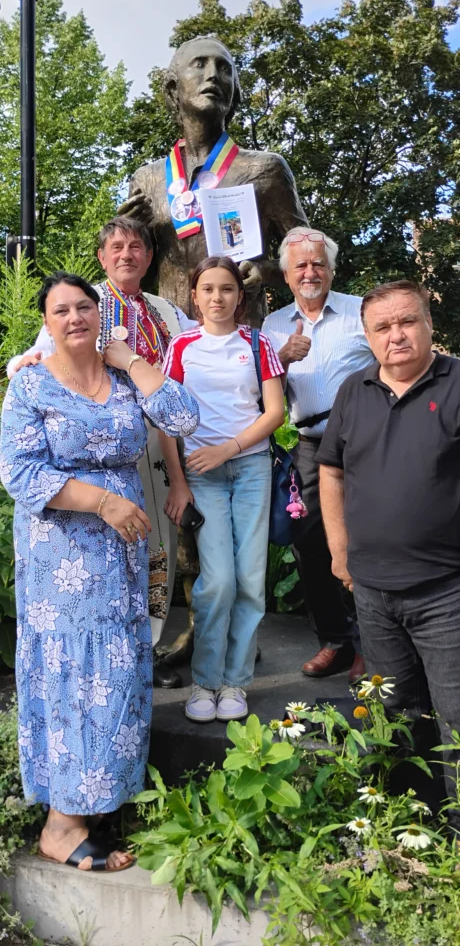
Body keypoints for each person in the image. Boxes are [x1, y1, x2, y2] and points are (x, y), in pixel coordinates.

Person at [0, 273, 198, 872]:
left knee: (114, 670)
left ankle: (98, 803)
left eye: (84, 306)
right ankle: (61, 823)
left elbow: (183, 418)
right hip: (61, 554)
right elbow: (19, 473)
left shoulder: (123, 379)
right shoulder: (30, 383)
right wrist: (102, 501)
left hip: (122, 554)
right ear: (47, 322)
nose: (74, 317)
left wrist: (133, 360)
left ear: (100, 314)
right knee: (72, 674)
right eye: (60, 310)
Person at [7, 217, 198, 689]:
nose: (126, 255)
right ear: (102, 257)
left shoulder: (167, 312)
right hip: (74, 500)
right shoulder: (83, 298)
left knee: (157, 553)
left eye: (136, 247)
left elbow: (188, 384)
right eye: (116, 247)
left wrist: (131, 362)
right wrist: (19, 364)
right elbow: (37, 363)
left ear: (149, 257)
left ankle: (150, 644)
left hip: (149, 443)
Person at [317, 278, 460, 825]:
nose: (395, 335)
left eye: (406, 322)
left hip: (446, 589)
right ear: (368, 336)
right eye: (382, 327)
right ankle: (411, 825)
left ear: (428, 323)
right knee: (396, 714)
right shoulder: (354, 390)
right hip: (373, 591)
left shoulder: (456, 383)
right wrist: (338, 548)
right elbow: (331, 470)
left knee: (457, 716)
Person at [163, 256, 285, 722]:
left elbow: (274, 412)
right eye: (208, 289)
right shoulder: (181, 345)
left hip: (250, 469)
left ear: (240, 295)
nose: (218, 297)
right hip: (201, 475)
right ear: (195, 297)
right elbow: (165, 419)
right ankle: (205, 681)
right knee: (217, 582)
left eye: (227, 288)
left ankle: (235, 682)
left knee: (251, 581)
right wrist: (178, 482)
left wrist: (228, 449)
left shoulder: (257, 343)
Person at [118, 35, 308, 327]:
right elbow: (141, 281)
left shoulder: (265, 169)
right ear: (173, 90)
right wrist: (131, 239)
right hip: (171, 338)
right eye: (199, 64)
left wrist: (263, 270)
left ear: (235, 92)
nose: (213, 75)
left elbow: (309, 258)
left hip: (239, 336)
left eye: (224, 68)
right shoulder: (148, 179)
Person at [262, 227, 374, 681]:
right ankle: (336, 641)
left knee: (367, 538)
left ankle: (375, 646)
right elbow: (258, 394)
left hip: (368, 441)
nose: (309, 272)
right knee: (308, 540)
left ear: (331, 269)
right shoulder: (273, 326)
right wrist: (281, 359)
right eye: (300, 266)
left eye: (317, 263)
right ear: (287, 275)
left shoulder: (359, 311)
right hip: (311, 443)